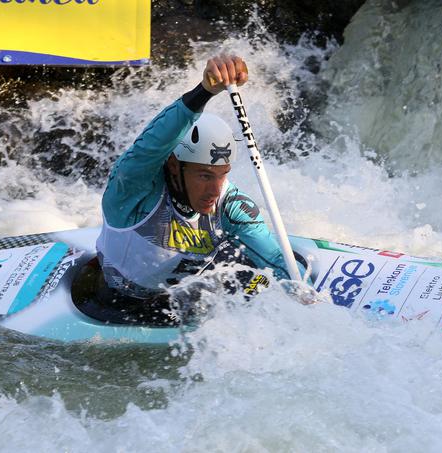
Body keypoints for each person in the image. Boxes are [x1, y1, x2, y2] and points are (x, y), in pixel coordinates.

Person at [92, 54, 302, 320]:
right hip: (119, 304)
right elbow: (150, 144)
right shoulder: (133, 192)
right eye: (204, 176)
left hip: (187, 300)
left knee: (263, 268)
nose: (215, 190)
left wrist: (302, 293)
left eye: (222, 174)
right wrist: (204, 92)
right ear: (173, 165)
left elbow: (275, 259)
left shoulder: (230, 204)